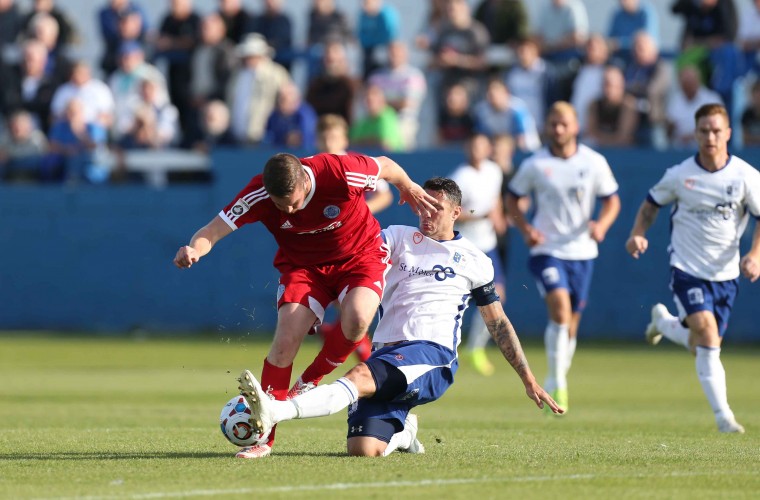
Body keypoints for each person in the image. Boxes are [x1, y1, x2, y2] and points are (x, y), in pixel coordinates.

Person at [237, 176, 563, 457]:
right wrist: (322, 297)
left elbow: (498, 323)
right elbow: (353, 266)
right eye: (421, 203)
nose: (425, 212)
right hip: (386, 352)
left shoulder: (476, 260)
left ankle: (275, 410)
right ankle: (405, 432)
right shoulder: (395, 237)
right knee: (362, 448)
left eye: (434, 207)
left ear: (456, 213)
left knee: (358, 377)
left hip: (432, 353)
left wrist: (528, 378)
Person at [174, 151, 437, 459]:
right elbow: (212, 230)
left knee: (357, 320)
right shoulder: (258, 192)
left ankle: (311, 378)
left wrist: (405, 185)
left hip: (359, 257)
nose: (288, 210)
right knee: (285, 340)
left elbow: (387, 166)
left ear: (303, 180)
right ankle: (264, 440)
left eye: (294, 202)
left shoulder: (341, 173)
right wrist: (195, 248)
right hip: (304, 268)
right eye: (279, 204)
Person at [625, 103, 760, 434]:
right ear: (696, 133)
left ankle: (665, 323)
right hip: (686, 268)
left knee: (703, 343)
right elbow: (650, 205)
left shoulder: (746, 176)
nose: (710, 137)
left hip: (726, 275)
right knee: (706, 331)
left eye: (716, 130)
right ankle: (723, 417)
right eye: (704, 131)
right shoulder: (680, 174)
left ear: (728, 133)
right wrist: (637, 234)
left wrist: (755, 254)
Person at [506, 101, 621, 413]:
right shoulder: (535, 164)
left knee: (571, 324)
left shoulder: (594, 162)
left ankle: (557, 375)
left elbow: (612, 200)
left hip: (582, 251)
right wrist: (526, 229)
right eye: (553, 123)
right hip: (547, 250)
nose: (558, 129)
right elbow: (512, 198)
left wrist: (602, 224)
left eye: (564, 124)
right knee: (560, 308)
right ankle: (559, 381)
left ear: (576, 126)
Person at [449, 134, 506, 376]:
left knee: (497, 296)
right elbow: (453, 212)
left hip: (488, 245)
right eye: (472, 145)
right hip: (465, 246)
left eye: (481, 145)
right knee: (454, 300)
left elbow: (494, 199)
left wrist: (499, 217)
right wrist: (480, 214)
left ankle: (476, 348)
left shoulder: (494, 171)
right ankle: (447, 348)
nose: (477, 150)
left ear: (488, 148)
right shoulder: (459, 177)